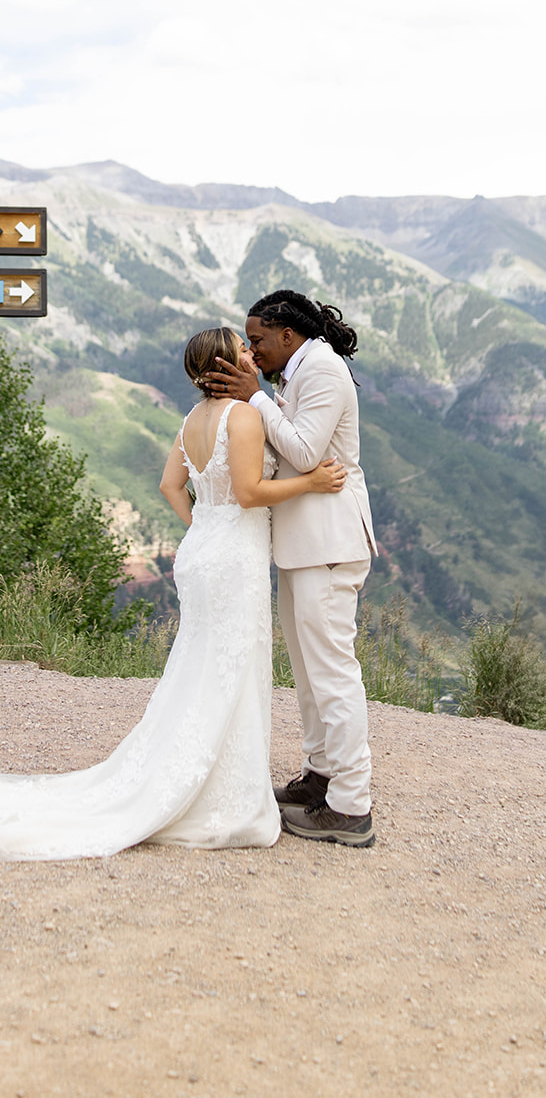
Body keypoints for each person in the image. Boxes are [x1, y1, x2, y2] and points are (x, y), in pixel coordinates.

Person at [0, 326, 346, 861]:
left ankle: (203, 776)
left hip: (204, 550)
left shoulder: (192, 421)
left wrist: (205, 526)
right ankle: (227, 793)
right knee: (233, 668)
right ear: (225, 364)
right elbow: (252, 493)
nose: (251, 355)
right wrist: (309, 483)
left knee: (202, 666)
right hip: (235, 559)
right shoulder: (245, 415)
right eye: (241, 348)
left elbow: (169, 486)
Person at [205, 290, 377, 849]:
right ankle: (320, 777)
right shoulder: (296, 372)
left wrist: (256, 399)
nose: (252, 352)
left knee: (331, 672)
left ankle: (352, 807)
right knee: (308, 673)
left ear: (286, 333)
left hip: (328, 541)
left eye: (256, 340)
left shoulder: (323, 369)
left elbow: (304, 452)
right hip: (302, 545)